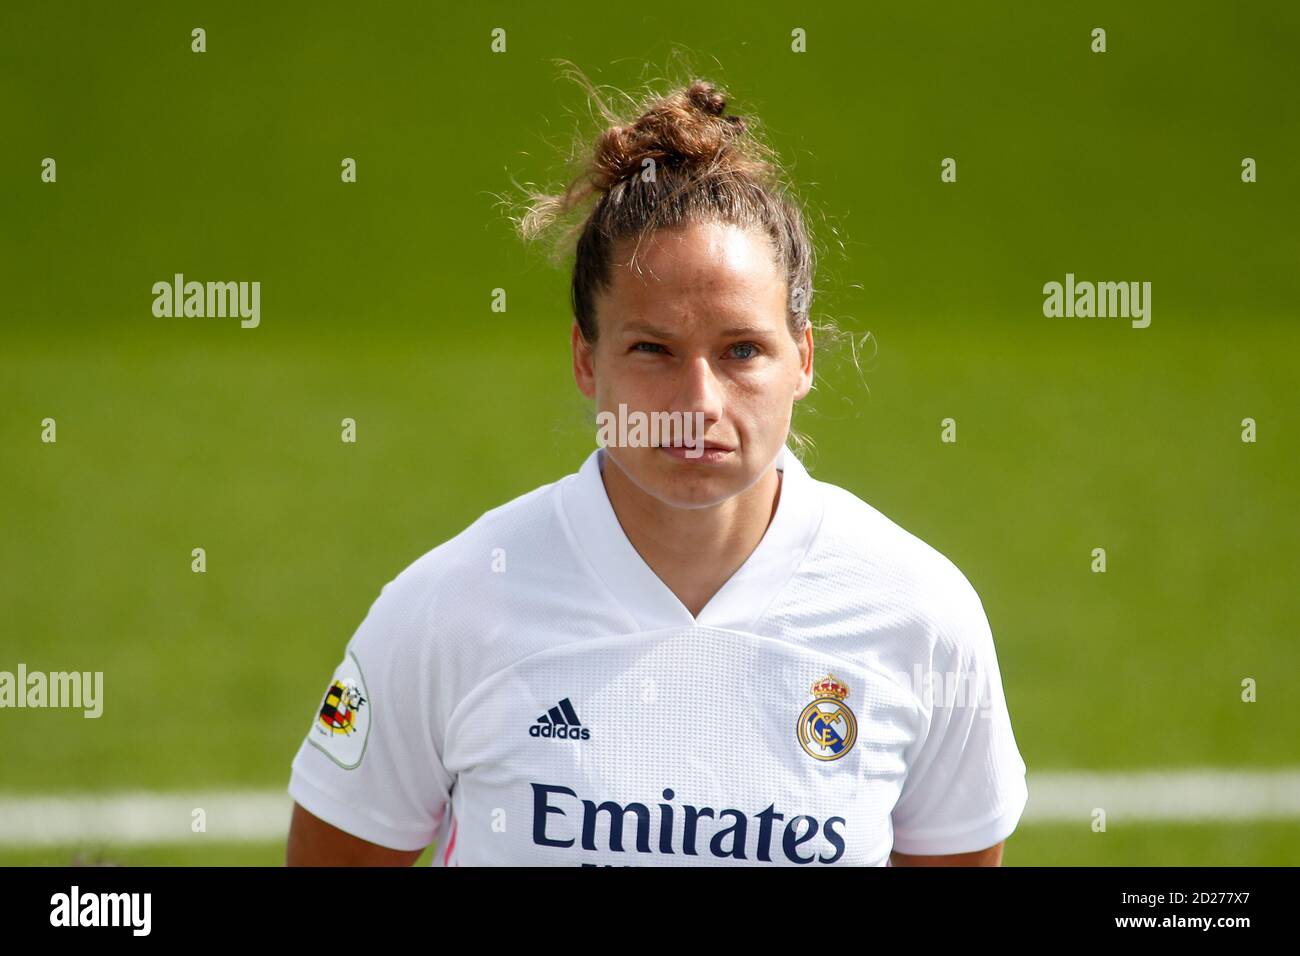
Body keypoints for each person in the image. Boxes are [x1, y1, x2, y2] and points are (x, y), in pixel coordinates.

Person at [286, 76, 1028, 866]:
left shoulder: (919, 616)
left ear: (802, 359)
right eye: (653, 350)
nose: (698, 402)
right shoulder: (448, 608)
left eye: (742, 349)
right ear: (585, 358)